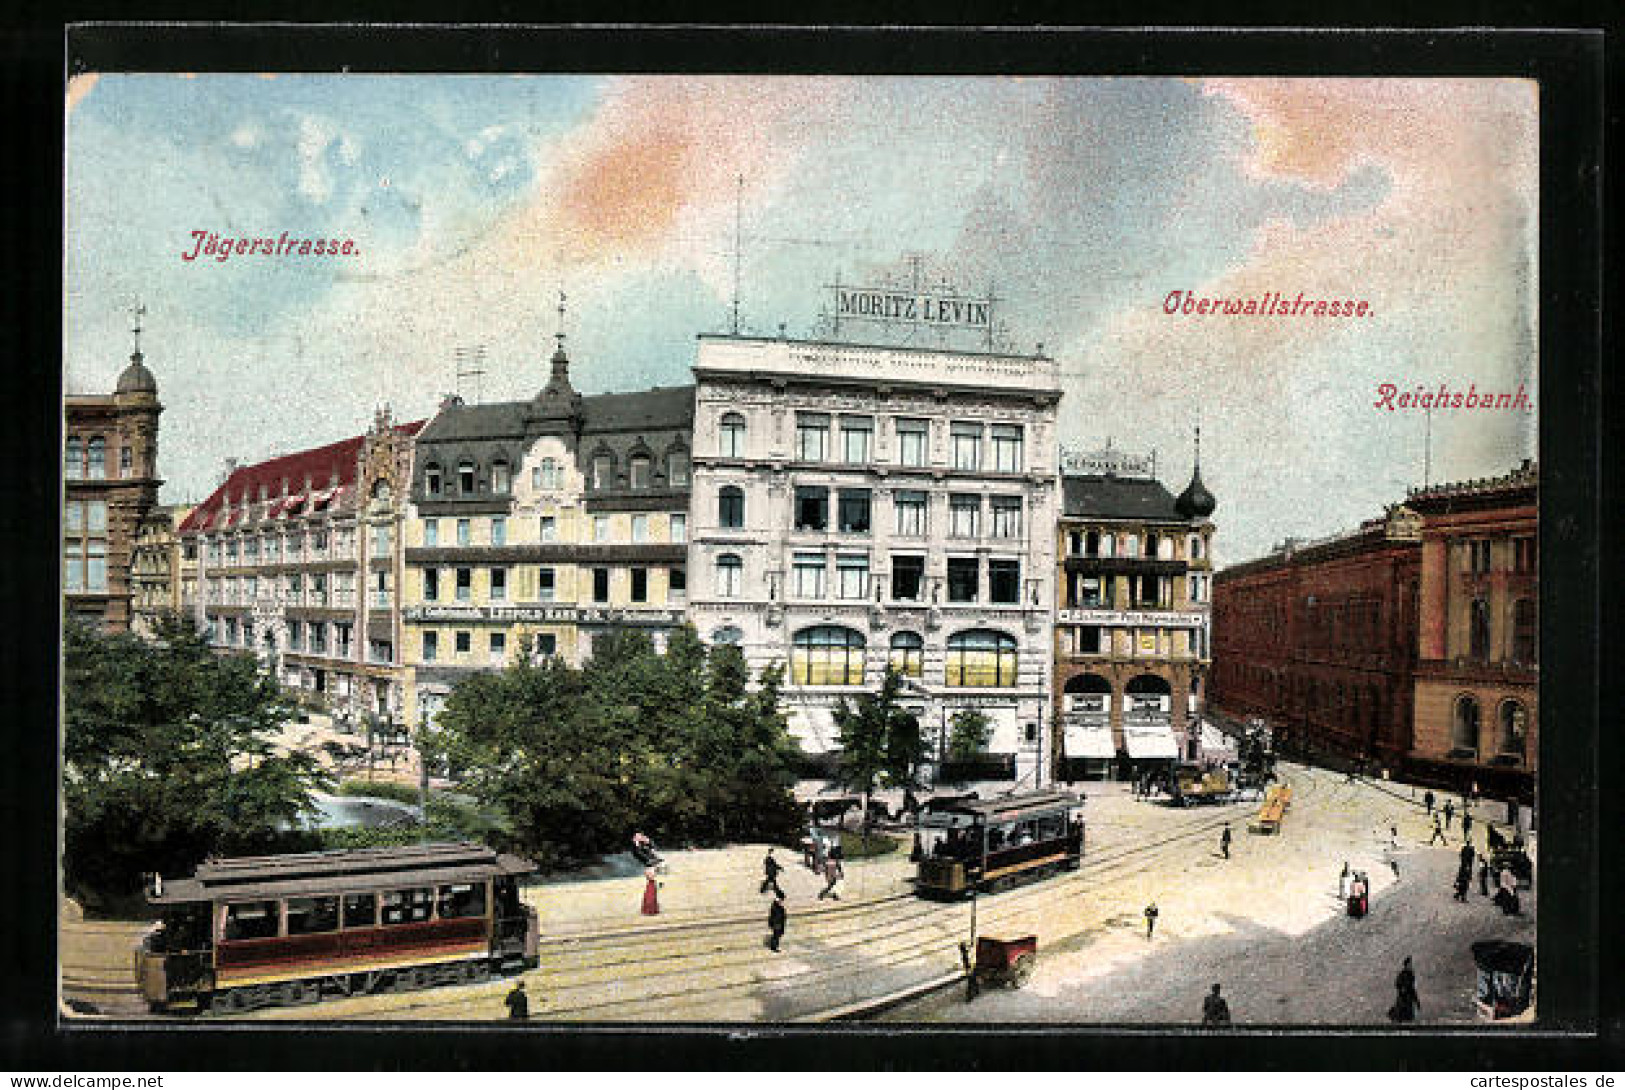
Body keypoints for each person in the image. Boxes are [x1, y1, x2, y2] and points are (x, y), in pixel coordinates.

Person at [1389, 957, 1420, 1023]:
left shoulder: (1411, 974)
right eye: (1409, 964)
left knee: (1409, 1014)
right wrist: (1402, 989)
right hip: (1403, 996)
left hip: (1409, 995)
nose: (1411, 965)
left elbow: (1412, 986)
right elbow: (1397, 983)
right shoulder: (1402, 974)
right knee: (1400, 1012)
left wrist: (1416, 1000)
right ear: (1406, 965)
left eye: (1411, 964)